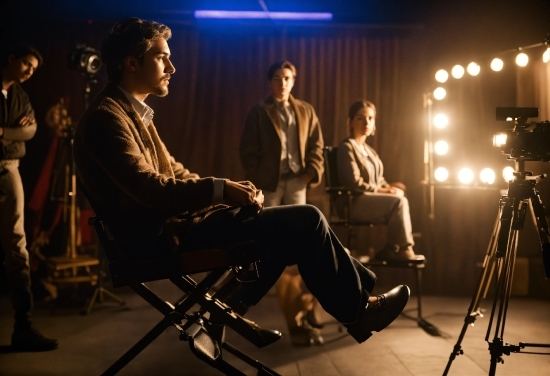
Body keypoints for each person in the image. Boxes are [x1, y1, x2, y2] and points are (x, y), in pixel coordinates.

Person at [73, 17, 410, 346]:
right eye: (162, 58)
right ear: (132, 63)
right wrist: (221, 190)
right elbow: (149, 188)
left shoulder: (131, 112)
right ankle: (359, 308)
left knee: (290, 234)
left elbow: (175, 173)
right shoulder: (107, 117)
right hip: (160, 240)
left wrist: (232, 188)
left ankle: (227, 310)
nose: (171, 68)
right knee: (305, 219)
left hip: (174, 229)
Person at [239, 60, 325, 346]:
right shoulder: (259, 111)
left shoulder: (306, 110)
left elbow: (316, 146)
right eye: (276, 78)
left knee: (300, 248)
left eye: (287, 77)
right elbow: (248, 150)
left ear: (294, 80)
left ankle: (305, 313)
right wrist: (258, 178)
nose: (282, 83)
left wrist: (309, 174)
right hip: (271, 186)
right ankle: (293, 319)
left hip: (297, 182)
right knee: (275, 250)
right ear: (270, 81)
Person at [0, 44, 58, 351]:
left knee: (18, 248)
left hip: (9, 170)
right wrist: (13, 131)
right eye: (26, 63)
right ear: (11, 58)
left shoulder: (20, 96)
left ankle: (23, 326)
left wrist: (4, 132)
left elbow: (30, 131)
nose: (29, 71)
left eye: (33, 68)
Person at [337, 100, 424, 262]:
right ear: (350, 122)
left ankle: (393, 248)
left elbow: (380, 180)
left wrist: (390, 188)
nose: (366, 123)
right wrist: (385, 191)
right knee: (398, 202)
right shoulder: (347, 148)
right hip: (352, 202)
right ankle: (403, 248)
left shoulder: (370, 151)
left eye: (370, 118)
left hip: (367, 200)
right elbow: (354, 183)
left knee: (399, 197)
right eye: (360, 118)